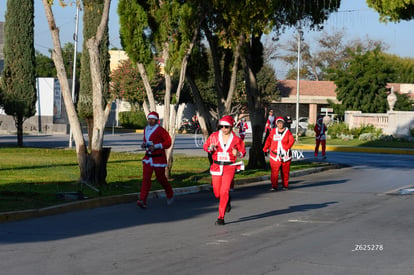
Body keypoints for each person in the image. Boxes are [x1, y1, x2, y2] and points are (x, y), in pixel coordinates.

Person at [203, 115, 246, 225]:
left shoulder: (236, 139)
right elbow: (206, 146)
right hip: (217, 166)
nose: (223, 128)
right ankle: (227, 200)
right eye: (221, 126)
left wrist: (238, 153)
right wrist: (210, 148)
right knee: (217, 193)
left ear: (231, 127)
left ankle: (221, 217)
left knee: (224, 191)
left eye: (226, 126)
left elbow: (243, 152)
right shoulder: (214, 136)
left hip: (229, 167)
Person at [137, 111, 174, 209]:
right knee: (146, 179)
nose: (150, 121)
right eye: (149, 119)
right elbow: (146, 140)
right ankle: (142, 199)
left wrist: (157, 146)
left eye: (152, 119)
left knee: (161, 179)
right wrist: (144, 145)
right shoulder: (146, 129)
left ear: (157, 120)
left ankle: (169, 192)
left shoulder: (161, 130)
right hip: (148, 158)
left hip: (158, 159)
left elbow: (168, 142)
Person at [263, 116, 295, 191]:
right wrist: (265, 148)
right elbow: (269, 140)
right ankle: (274, 186)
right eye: (278, 123)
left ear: (283, 123)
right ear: (276, 124)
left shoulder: (287, 132)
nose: (280, 124)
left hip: (285, 155)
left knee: (285, 172)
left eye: (281, 123)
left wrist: (286, 148)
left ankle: (285, 185)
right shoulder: (273, 131)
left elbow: (291, 141)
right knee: (274, 172)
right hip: (275, 155)